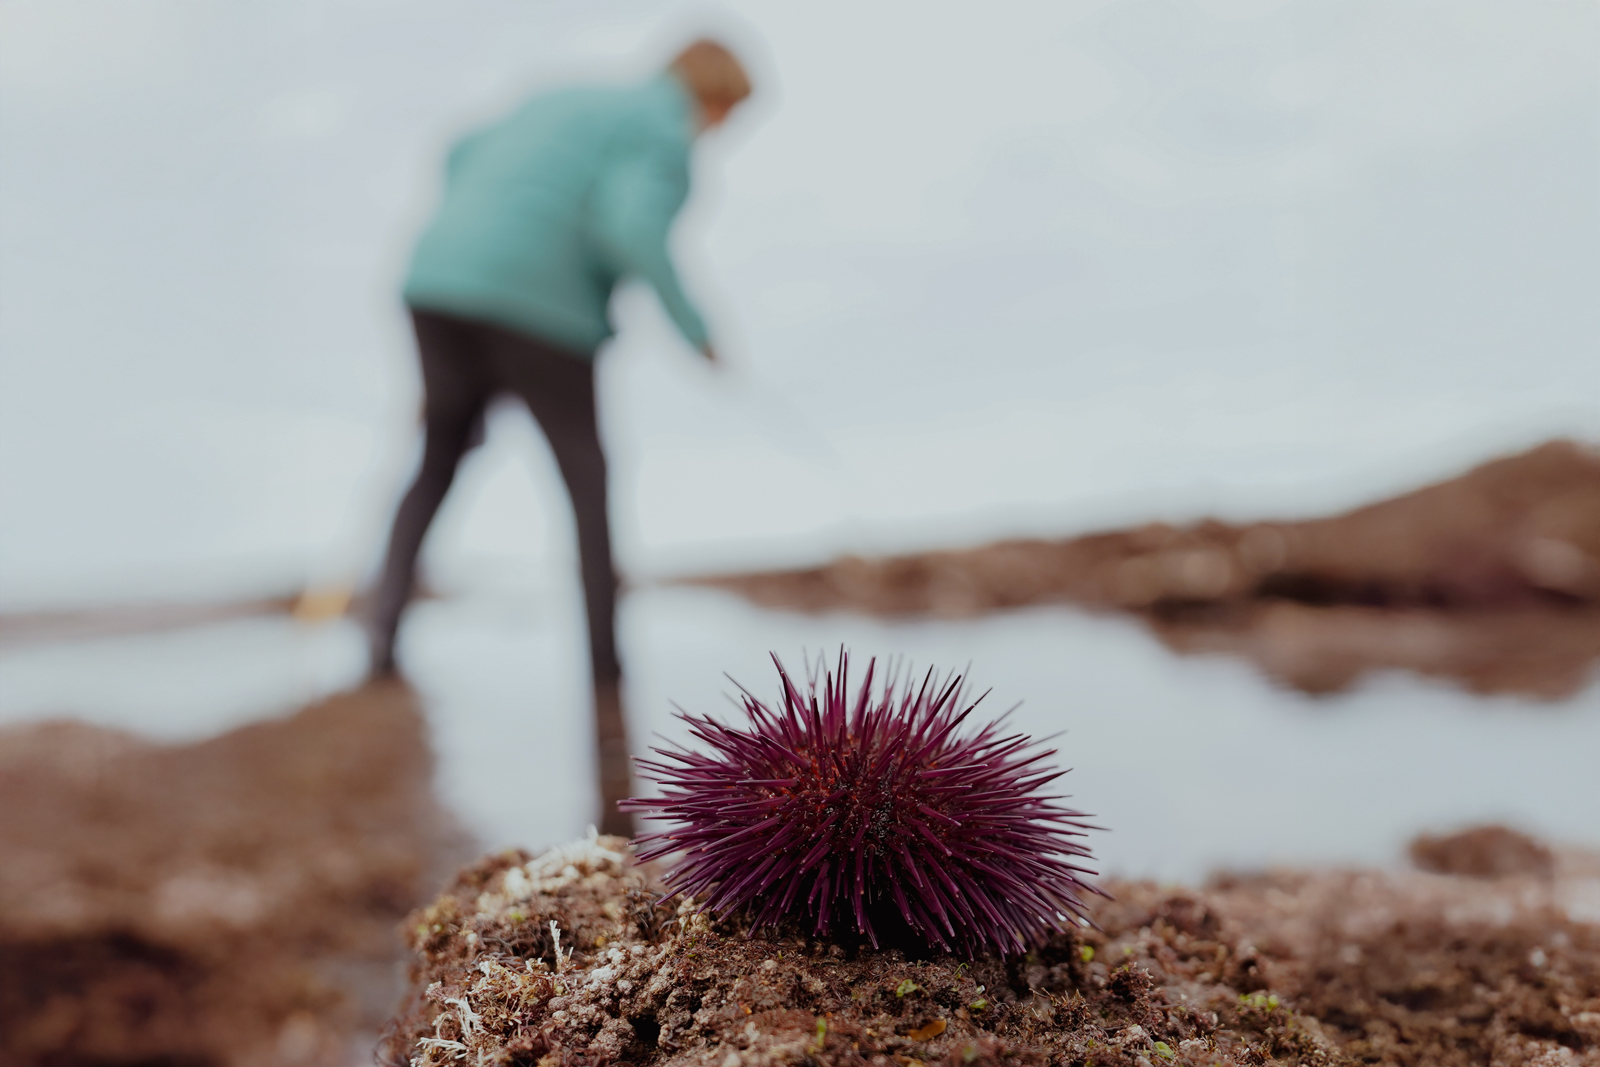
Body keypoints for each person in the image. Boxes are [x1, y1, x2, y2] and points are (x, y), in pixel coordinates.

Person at [367, 40, 752, 837]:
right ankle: (608, 679)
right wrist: (697, 330)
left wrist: (476, 242)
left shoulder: (561, 96)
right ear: (712, 100)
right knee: (586, 478)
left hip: (439, 281)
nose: (715, 134)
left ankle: (379, 647)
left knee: (437, 459)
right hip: (542, 306)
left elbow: (460, 148)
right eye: (724, 119)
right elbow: (630, 224)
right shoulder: (665, 130)